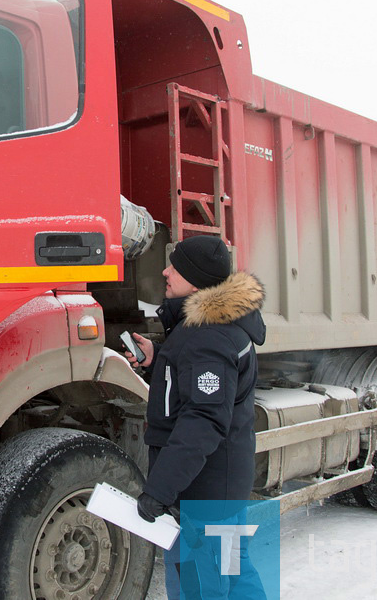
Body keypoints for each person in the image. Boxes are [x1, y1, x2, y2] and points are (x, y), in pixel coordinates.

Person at [123, 235, 266, 599]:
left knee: (200, 587)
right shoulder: (211, 330)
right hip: (221, 488)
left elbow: (202, 422)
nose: (166, 271)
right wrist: (160, 359)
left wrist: (160, 490)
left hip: (204, 498)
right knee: (234, 576)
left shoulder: (209, 338)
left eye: (176, 267)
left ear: (197, 280)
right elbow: (199, 391)